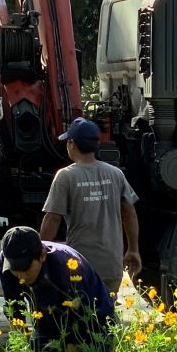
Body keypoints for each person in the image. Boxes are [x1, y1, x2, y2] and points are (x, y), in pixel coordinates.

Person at [39, 117, 141, 296]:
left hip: (78, 267)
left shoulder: (65, 176)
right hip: (112, 267)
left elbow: (52, 218)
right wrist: (133, 249)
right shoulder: (115, 174)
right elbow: (130, 213)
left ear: (71, 144)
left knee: (80, 317)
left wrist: (40, 251)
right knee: (105, 315)